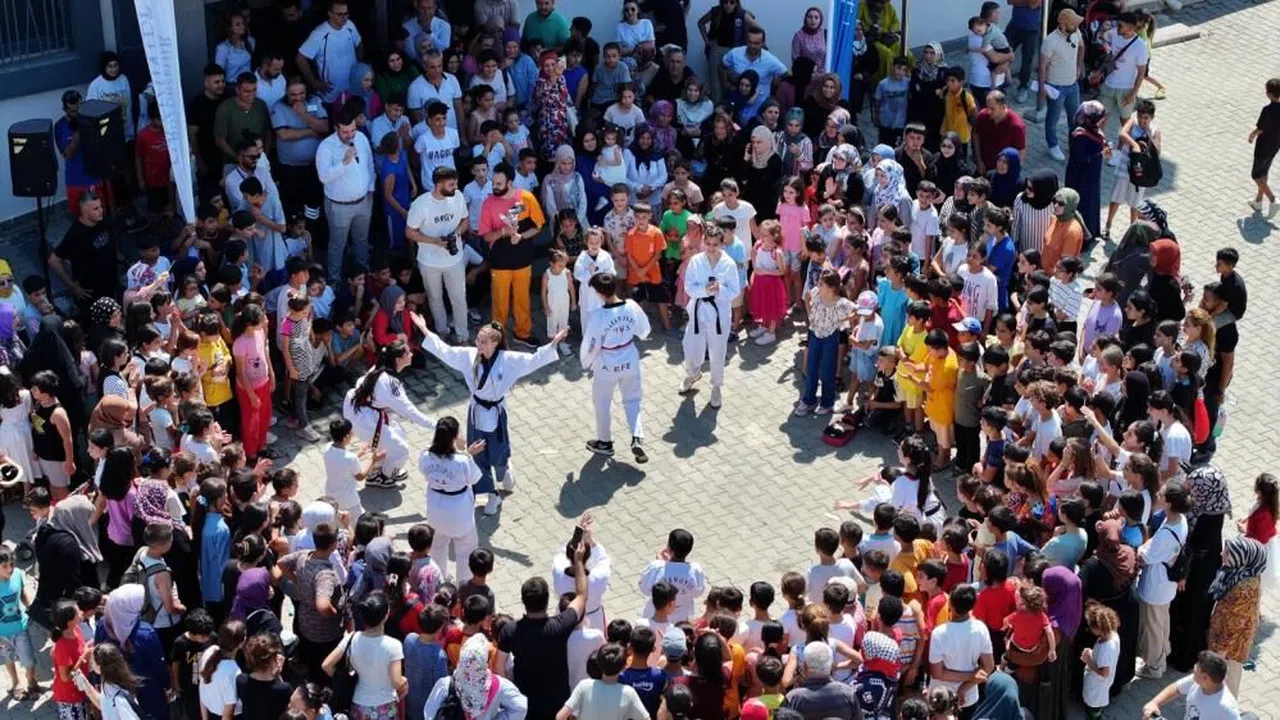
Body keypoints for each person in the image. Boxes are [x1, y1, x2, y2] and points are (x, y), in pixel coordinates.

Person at [415, 320, 565, 515]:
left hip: (496, 411)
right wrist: (424, 329)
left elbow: (533, 360)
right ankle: (491, 494)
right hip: (477, 411)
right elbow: (446, 351)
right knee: (478, 454)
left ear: (495, 343)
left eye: (484, 342)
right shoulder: (469, 356)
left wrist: (553, 344)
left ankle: (504, 469)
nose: (479, 344)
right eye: (478, 340)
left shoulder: (508, 359)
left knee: (498, 451)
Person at [496, 543, 587, 719]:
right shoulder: (560, 625)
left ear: (523, 601)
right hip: (557, 703)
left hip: (525, 703)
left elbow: (499, 668)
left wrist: (511, 694)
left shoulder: (510, 630)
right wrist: (579, 562)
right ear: (547, 600)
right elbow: (582, 596)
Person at [342, 341, 437, 486]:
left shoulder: (380, 367)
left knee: (399, 433)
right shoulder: (390, 383)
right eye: (408, 353)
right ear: (398, 360)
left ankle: (377, 467)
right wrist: (437, 426)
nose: (412, 354)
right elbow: (410, 412)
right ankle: (384, 477)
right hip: (364, 421)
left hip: (359, 411)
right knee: (401, 449)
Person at [580, 273, 652, 463]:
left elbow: (591, 344)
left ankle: (605, 442)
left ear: (598, 293)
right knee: (633, 399)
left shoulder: (598, 316)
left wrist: (586, 362)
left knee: (602, 402)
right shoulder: (631, 306)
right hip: (629, 357)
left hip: (607, 364)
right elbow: (645, 330)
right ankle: (637, 436)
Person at [479, 162, 547, 349]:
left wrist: (521, 236)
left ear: (510, 182)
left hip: (523, 259)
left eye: (499, 184)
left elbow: (538, 226)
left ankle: (522, 334)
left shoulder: (526, 197)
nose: (495, 187)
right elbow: (486, 236)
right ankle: (497, 338)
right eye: (494, 183)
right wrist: (504, 232)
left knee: (522, 299)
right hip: (499, 261)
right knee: (499, 302)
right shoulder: (488, 203)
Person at [407, 166, 471, 345]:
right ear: (438, 184)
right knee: (435, 298)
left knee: (459, 297)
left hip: (454, 259)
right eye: (451, 185)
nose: (455, 188)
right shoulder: (421, 204)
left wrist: (457, 233)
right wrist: (434, 241)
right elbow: (410, 232)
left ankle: (463, 335)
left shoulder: (458, 197)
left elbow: (465, 221)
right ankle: (442, 332)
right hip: (429, 261)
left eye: (456, 184)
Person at [680, 226, 741, 409]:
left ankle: (716, 386)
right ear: (703, 241)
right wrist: (704, 290)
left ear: (722, 244)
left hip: (719, 311)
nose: (711, 247)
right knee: (691, 346)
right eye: (708, 243)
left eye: (715, 244)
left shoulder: (728, 264)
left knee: (717, 350)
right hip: (698, 309)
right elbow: (689, 287)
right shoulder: (696, 261)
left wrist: (719, 290)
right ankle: (692, 373)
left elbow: (734, 291)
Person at [316, 104, 375, 284]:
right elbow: (324, 177)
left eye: (352, 130)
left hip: (364, 201)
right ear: (336, 129)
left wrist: (371, 189)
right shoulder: (326, 147)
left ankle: (363, 278)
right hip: (339, 206)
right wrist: (344, 162)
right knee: (337, 245)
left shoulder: (362, 138)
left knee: (362, 241)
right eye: (345, 132)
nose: (350, 135)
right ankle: (334, 281)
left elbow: (370, 164)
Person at [1207, 536, 1265, 698]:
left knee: (1226, 686)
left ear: (1240, 557)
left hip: (1230, 649)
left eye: (1227, 553)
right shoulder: (1241, 573)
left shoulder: (1243, 589)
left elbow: (1235, 624)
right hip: (1226, 643)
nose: (1221, 554)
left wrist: (1220, 653)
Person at [425, 634, 528, 719]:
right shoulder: (500, 685)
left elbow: (429, 714)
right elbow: (521, 707)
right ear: (485, 661)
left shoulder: (446, 684)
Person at [49, 191, 118, 305]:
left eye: (101, 207)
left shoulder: (103, 220)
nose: (101, 211)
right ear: (85, 212)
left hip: (111, 281)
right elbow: (53, 260)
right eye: (96, 209)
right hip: (92, 292)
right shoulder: (75, 235)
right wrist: (72, 286)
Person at [1098, 12, 1150, 157]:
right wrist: (1100, 70)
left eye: (1120, 25)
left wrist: (1133, 94)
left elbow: (1141, 73)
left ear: (1130, 27)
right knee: (1101, 119)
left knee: (1125, 123)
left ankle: (1121, 152)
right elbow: (1104, 43)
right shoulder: (1114, 34)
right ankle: (1103, 147)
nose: (1117, 27)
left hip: (1126, 89)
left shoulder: (1140, 47)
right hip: (1109, 85)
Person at [1141, 650, 1241, 720]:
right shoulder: (1198, 681)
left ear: (1205, 677)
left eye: (1196, 669)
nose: (1194, 669)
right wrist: (1154, 703)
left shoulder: (1227, 708)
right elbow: (1176, 688)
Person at [1040, 9, 1085, 162]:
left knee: (1076, 118)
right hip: (1056, 87)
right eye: (1073, 22)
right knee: (1053, 118)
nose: (1077, 25)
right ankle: (1052, 145)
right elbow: (1042, 66)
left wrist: (1079, 67)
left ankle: (1074, 144)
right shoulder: (1050, 41)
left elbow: (1082, 47)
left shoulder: (1076, 32)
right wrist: (1042, 88)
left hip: (1073, 85)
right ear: (1064, 24)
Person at [297, 1, 362, 105]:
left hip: (352, 87)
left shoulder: (350, 25)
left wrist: (360, 65)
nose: (344, 17)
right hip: (331, 94)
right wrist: (314, 83)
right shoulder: (319, 34)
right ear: (330, 14)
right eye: (339, 14)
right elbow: (300, 58)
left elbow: (359, 43)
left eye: (346, 14)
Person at [971, 91, 1026, 175]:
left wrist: (1012, 173)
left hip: (1003, 172)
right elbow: (976, 135)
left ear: (1003, 107)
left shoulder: (1016, 126)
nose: (988, 112)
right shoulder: (983, 116)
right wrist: (978, 160)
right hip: (984, 168)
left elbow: (1020, 152)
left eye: (992, 109)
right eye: (987, 107)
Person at [1248, 77, 1280, 217]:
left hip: (1263, 146)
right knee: (1264, 172)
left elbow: (1261, 128)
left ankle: (1273, 200)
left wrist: (1252, 135)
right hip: (1275, 145)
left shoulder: (1267, 110)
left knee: (1255, 175)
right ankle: (1258, 201)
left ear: (1270, 93)